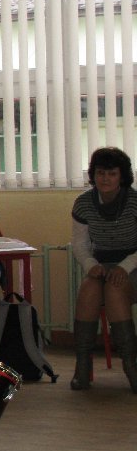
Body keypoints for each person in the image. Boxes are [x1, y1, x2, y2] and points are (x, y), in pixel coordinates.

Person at [70, 146, 137, 393]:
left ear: (122, 176)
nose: (105, 179)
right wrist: (91, 266)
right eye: (100, 173)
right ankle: (82, 366)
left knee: (114, 290)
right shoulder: (83, 203)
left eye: (112, 173)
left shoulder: (134, 202)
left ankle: (131, 367)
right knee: (88, 289)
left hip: (133, 264)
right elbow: (79, 244)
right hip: (102, 266)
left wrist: (124, 267)